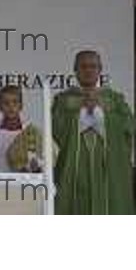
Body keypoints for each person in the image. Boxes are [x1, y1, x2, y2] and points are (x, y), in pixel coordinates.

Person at [53, 50, 134, 215]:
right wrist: (82, 112)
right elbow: (56, 129)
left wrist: (99, 114)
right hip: (75, 170)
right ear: (75, 69)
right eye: (83, 66)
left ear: (100, 69)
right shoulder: (62, 100)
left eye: (93, 66)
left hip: (109, 169)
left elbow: (128, 127)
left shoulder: (115, 99)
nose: (88, 70)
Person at [0, 85, 43, 173]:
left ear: (21, 105)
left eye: (15, 102)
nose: (11, 106)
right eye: (6, 103)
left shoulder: (29, 131)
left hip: (21, 180)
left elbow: (39, 155)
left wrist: (36, 163)